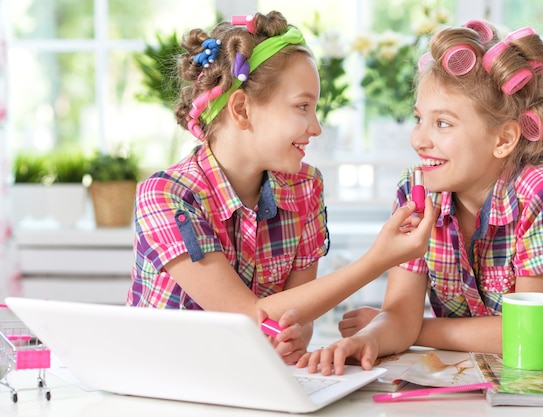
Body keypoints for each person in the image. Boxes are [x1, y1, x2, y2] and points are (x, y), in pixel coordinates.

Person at [127, 10, 436, 365]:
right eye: (302, 106)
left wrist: (289, 340)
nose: (316, 127)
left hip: (251, 380)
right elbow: (246, 315)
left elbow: (297, 321)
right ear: (242, 109)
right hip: (165, 381)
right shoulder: (167, 196)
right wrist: (378, 259)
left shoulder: (305, 188)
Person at [297, 19, 543, 376]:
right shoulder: (415, 190)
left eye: (443, 124)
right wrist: (371, 338)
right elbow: (399, 314)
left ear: (504, 140)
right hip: (460, 371)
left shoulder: (541, 193)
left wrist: (409, 330)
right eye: (419, 118)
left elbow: (526, 332)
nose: (419, 139)